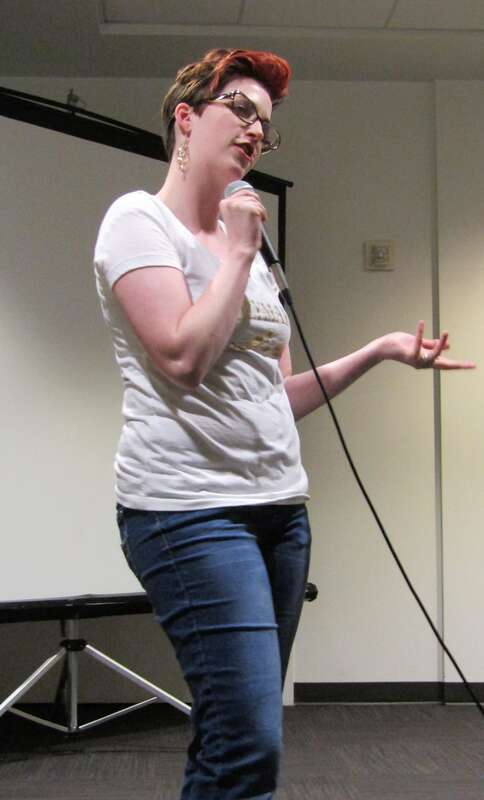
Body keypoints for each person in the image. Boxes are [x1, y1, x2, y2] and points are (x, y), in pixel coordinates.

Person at [93, 48, 474, 800]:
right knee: (252, 748)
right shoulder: (139, 222)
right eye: (239, 109)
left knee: (233, 729)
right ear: (186, 116)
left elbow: (275, 398)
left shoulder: (255, 260)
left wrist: (379, 351)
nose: (254, 132)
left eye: (265, 125)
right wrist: (236, 250)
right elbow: (181, 359)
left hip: (280, 514)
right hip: (188, 514)